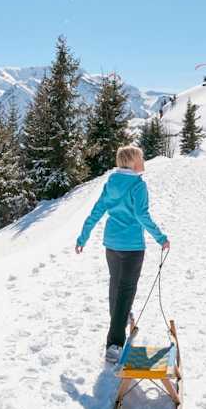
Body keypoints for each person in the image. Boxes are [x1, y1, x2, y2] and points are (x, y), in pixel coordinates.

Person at [75, 145, 170, 363]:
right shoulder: (138, 185)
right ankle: (114, 343)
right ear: (134, 162)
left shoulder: (111, 182)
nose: (143, 161)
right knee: (126, 290)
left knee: (116, 285)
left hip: (111, 243)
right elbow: (141, 215)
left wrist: (83, 237)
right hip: (131, 246)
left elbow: (97, 211)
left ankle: (123, 317)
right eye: (141, 157)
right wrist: (161, 238)